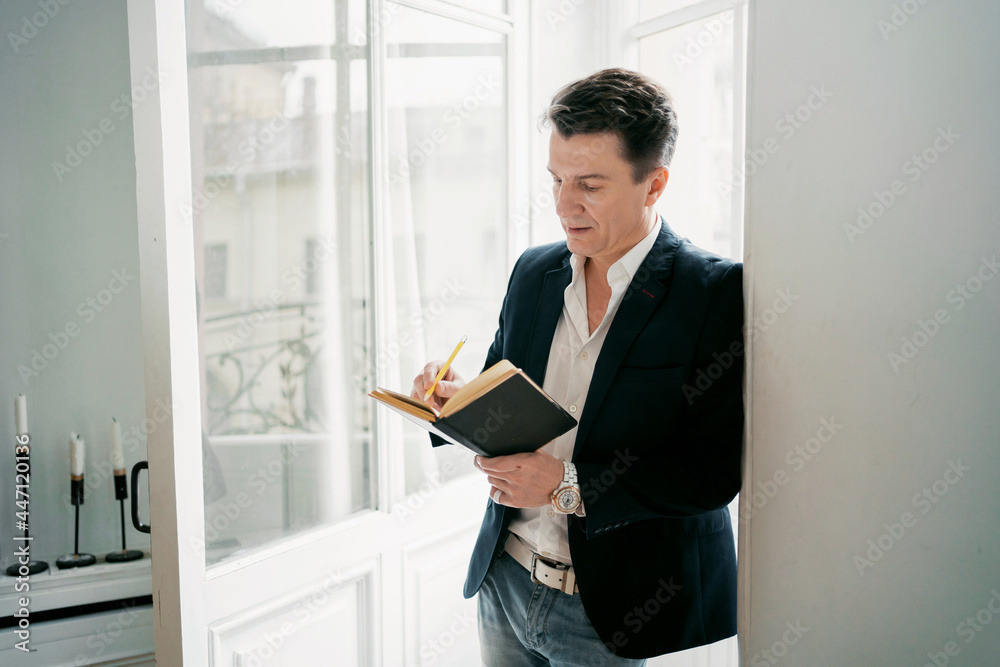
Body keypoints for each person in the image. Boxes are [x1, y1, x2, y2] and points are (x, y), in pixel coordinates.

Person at [411, 67, 744, 665]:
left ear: (654, 184)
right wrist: (453, 399)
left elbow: (711, 472)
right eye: (557, 180)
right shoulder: (532, 271)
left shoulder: (712, 292)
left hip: (617, 608)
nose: (565, 205)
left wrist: (566, 485)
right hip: (505, 580)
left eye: (589, 184)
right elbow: (502, 389)